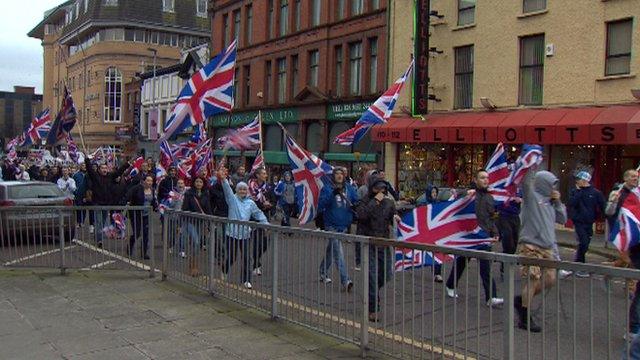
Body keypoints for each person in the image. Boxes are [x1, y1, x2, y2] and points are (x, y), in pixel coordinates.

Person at [514, 169, 567, 333]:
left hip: (548, 248)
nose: (554, 189)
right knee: (532, 279)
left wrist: (558, 202)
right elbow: (526, 182)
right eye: (552, 185)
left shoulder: (552, 203)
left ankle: (521, 300)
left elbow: (563, 219)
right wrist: (531, 162)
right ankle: (524, 317)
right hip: (530, 246)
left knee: (550, 279)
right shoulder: (531, 198)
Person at [445, 170, 503, 307]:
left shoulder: (490, 198)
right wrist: (462, 195)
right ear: (475, 180)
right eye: (482, 178)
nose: (486, 180)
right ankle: (450, 285)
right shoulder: (469, 194)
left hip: (483, 237)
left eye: (487, 178)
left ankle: (491, 297)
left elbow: (491, 218)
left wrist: (495, 232)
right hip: (469, 237)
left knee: (486, 267)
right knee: (461, 263)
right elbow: (454, 203)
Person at [220, 168, 269, 289]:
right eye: (240, 189)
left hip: (245, 234)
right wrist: (223, 179)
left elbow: (258, 213)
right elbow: (227, 190)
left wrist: (266, 224)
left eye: (244, 189)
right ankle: (224, 270)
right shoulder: (232, 200)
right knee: (232, 257)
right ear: (236, 190)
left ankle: (246, 279)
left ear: (247, 191)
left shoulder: (250, 203)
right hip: (232, 233)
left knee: (247, 257)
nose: (242, 191)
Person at [356, 178, 397, 321]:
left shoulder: (389, 203)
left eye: (383, 189)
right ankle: (372, 309)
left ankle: (371, 293)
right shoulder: (365, 202)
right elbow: (362, 216)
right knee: (372, 276)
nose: (381, 192)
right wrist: (375, 202)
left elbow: (393, 218)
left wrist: (396, 218)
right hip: (369, 243)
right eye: (377, 189)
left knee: (386, 274)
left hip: (383, 243)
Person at [606, 169, 640, 337]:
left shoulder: (637, 193)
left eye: (637, 176)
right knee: (629, 264)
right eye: (632, 177)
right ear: (625, 178)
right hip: (626, 237)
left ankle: (623, 280)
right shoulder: (618, 193)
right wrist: (612, 202)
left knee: (629, 266)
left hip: (636, 238)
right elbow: (610, 212)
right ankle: (633, 328)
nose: (635, 178)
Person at [317, 167, 357, 291]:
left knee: (332, 250)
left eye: (341, 174)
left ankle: (323, 271)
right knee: (338, 253)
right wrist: (332, 194)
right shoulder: (327, 189)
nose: (339, 175)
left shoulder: (349, 189)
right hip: (332, 225)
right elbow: (321, 204)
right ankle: (345, 280)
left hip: (343, 226)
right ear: (333, 176)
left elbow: (356, 202)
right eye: (337, 173)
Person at [85, 156, 130, 248]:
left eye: (105, 168)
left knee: (103, 221)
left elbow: (119, 172)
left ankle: (98, 236)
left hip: (106, 203)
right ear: (99, 169)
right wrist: (87, 159)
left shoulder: (110, 176)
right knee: (98, 222)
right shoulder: (95, 176)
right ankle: (99, 240)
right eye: (102, 168)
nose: (104, 169)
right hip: (97, 203)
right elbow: (89, 169)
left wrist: (127, 164)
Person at [567, 171, 605, 276]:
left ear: (584, 180)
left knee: (585, 244)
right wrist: (579, 192)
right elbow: (571, 203)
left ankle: (577, 265)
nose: (576, 181)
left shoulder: (596, 193)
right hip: (579, 222)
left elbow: (602, 206)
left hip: (589, 223)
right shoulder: (575, 192)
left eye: (578, 179)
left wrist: (603, 217)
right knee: (583, 242)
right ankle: (581, 266)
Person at [181, 177, 213, 276]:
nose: (198, 183)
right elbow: (184, 209)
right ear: (194, 183)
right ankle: (192, 267)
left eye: (200, 182)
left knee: (197, 245)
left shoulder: (206, 194)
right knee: (196, 241)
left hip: (200, 222)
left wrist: (210, 223)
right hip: (190, 221)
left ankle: (194, 266)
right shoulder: (189, 194)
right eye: (197, 181)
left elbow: (208, 209)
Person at [123, 175, 157, 260]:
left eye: (151, 181)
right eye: (148, 180)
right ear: (143, 181)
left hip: (146, 215)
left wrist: (156, 207)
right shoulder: (136, 188)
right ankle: (130, 246)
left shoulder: (152, 190)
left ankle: (144, 253)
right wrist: (123, 204)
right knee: (137, 233)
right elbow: (127, 196)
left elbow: (153, 201)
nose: (149, 183)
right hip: (136, 214)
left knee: (146, 234)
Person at [248, 167, 274, 275]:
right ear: (257, 175)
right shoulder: (250, 187)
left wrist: (270, 205)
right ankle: (256, 264)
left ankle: (256, 258)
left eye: (265, 173)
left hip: (265, 217)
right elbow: (250, 202)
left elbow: (273, 200)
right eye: (263, 173)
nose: (265, 175)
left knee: (264, 244)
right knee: (257, 242)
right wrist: (262, 204)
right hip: (254, 218)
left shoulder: (267, 188)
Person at [497, 190, 522, 278]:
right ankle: (504, 269)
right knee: (508, 239)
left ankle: (507, 264)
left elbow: (524, 198)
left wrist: (520, 199)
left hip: (515, 217)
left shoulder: (518, 188)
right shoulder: (503, 185)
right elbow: (497, 199)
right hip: (503, 216)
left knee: (514, 244)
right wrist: (511, 199)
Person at [72, 163, 90, 228]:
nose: (84, 167)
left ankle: (82, 222)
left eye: (85, 165)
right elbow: (73, 183)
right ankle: (78, 222)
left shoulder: (88, 174)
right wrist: (76, 191)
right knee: (78, 209)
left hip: (86, 194)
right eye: (83, 165)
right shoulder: (76, 175)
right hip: (78, 194)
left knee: (84, 209)